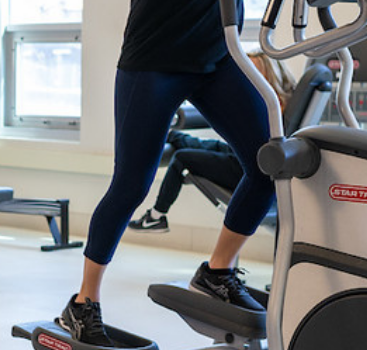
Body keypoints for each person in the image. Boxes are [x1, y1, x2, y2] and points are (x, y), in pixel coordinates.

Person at [58, 0, 276, 346]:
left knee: (269, 165)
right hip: (154, 57)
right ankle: (84, 302)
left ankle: (217, 272)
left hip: (219, 55)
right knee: (131, 186)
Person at [127, 130, 242, 233]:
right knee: (175, 136)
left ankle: (155, 216)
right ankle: (170, 136)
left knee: (181, 158)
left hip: (243, 168)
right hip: (239, 151)